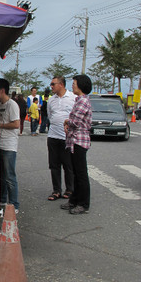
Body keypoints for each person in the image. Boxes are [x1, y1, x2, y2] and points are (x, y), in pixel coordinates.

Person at [62, 74, 93, 214]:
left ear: (81, 85)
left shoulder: (83, 101)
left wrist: (67, 122)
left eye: (74, 83)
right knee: (75, 173)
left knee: (80, 174)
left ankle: (83, 203)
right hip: (74, 141)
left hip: (79, 141)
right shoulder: (78, 100)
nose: (72, 85)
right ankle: (74, 200)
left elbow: (75, 121)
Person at [46, 76, 76, 202]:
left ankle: (70, 189)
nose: (51, 86)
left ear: (62, 84)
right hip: (53, 136)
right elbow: (50, 115)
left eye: (53, 84)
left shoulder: (73, 98)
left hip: (67, 137)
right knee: (54, 165)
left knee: (68, 165)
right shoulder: (51, 100)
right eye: (51, 84)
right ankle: (56, 190)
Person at [0, 78, 20, 213]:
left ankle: (14, 204)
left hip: (9, 145)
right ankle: (2, 200)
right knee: (1, 175)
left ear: (2, 90)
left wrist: (0, 125)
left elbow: (16, 124)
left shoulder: (12, 105)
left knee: (10, 176)